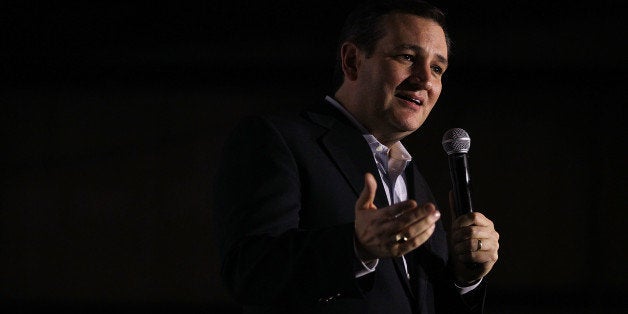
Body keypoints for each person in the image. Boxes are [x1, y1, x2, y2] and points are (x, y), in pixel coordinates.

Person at [212, 0, 500, 313]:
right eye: (407, 57)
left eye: (437, 68)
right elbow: (250, 273)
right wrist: (356, 247)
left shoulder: (412, 177)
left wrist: (464, 278)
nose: (425, 80)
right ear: (352, 62)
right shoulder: (278, 140)